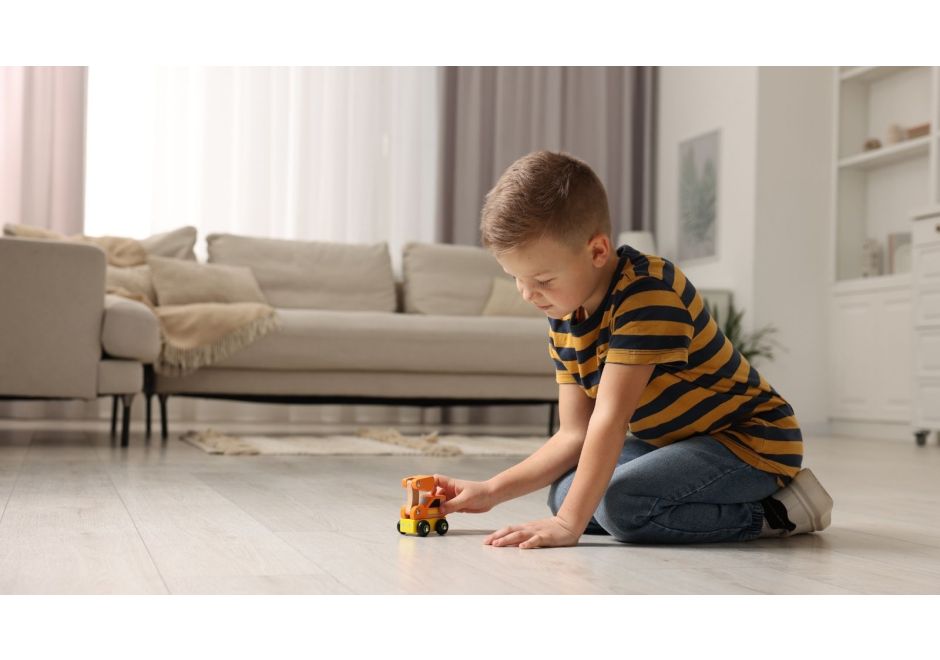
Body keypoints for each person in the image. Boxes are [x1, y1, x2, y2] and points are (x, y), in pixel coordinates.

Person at [433, 150, 833, 549]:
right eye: (516, 279)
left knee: (619, 506)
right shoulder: (563, 311)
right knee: (564, 494)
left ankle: (778, 513)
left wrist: (570, 525)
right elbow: (575, 434)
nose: (527, 294)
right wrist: (490, 490)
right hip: (675, 441)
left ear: (597, 251)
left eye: (542, 279)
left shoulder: (648, 293)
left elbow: (610, 418)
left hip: (749, 442)